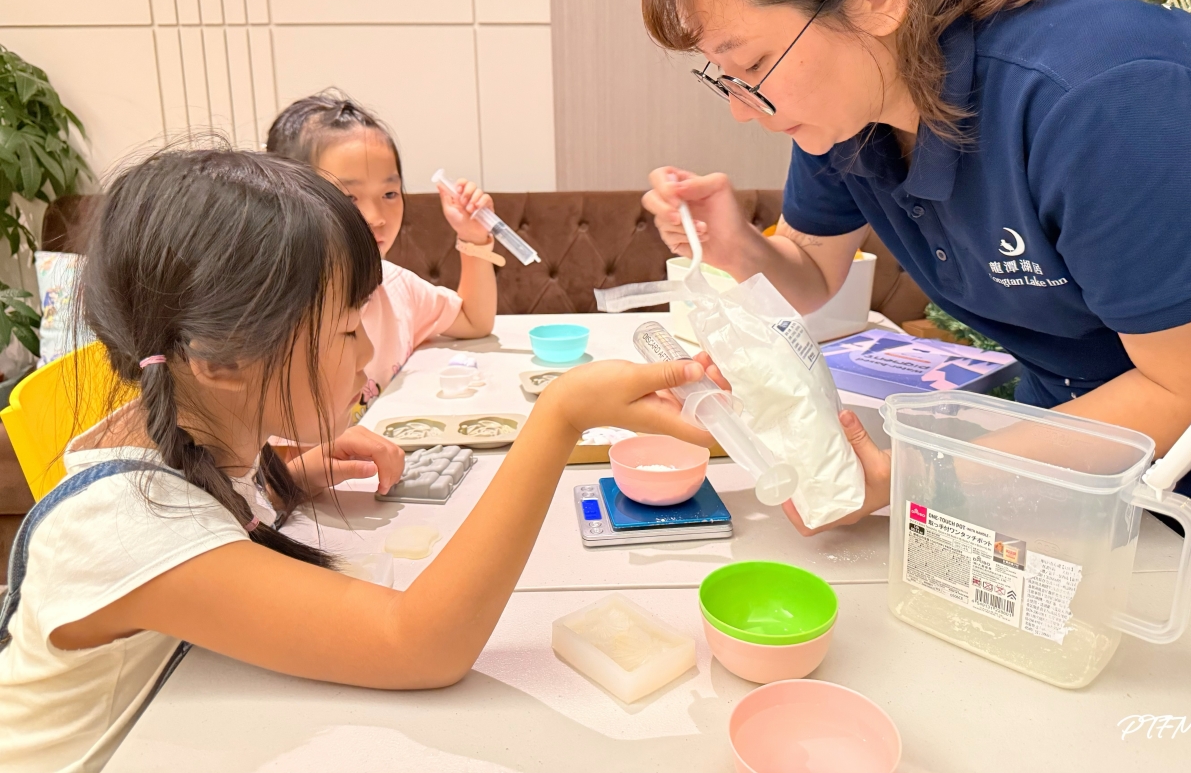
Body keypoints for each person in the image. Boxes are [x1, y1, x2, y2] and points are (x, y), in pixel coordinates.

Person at [639, 0, 1191, 601]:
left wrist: (920, 473)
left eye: (754, 65)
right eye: (723, 77)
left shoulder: (1102, 97)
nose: (744, 109)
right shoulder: (855, 112)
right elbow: (811, 270)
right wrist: (739, 244)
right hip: (1071, 442)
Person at [0, 148, 714, 772]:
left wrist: (289, 476)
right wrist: (559, 416)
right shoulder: (128, 526)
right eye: (347, 330)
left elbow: (210, 528)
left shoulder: (188, 430)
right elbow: (422, 645)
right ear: (221, 358)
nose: (368, 355)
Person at [267, 91, 498, 400]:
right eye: (349, 197)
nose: (376, 218)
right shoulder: (274, 313)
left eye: (389, 194)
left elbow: (474, 320)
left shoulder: (393, 285)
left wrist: (473, 236)